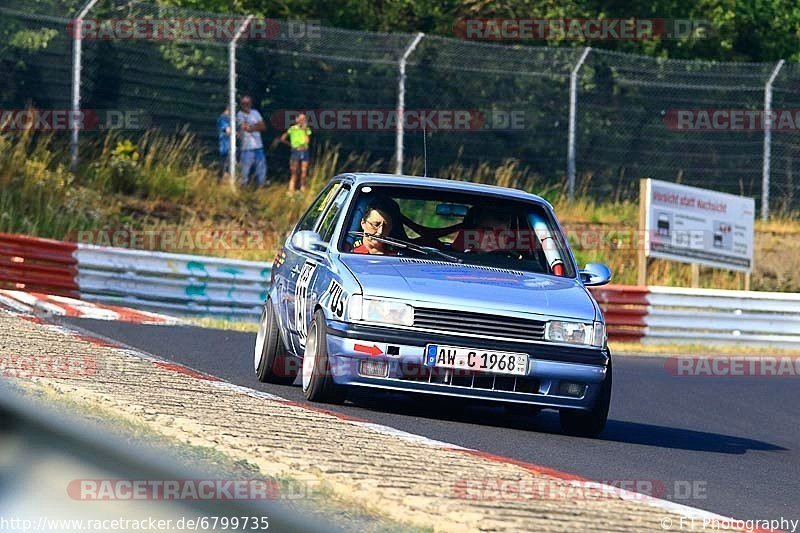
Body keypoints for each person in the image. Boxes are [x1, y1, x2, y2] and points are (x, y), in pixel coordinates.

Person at [236, 96, 267, 186]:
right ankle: (243, 187)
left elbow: (263, 126)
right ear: (241, 105)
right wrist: (256, 126)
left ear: (251, 103)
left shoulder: (255, 113)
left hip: (258, 146)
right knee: (245, 170)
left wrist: (252, 127)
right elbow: (245, 128)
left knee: (261, 168)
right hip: (246, 148)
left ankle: (261, 186)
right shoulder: (239, 115)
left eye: (248, 103)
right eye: (244, 104)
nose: (246, 105)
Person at [279, 113, 312, 192]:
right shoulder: (292, 129)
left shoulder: (307, 129)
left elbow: (307, 141)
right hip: (296, 150)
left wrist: (304, 130)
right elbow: (282, 138)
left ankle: (302, 188)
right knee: (294, 171)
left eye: (303, 119)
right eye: (300, 119)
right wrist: (291, 145)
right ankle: (291, 189)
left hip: (304, 150)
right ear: (297, 120)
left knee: (304, 171)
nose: (302, 121)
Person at [217, 105, 231, 180]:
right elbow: (228, 131)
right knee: (225, 167)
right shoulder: (223, 118)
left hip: (230, 148)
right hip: (225, 148)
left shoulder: (229, 119)